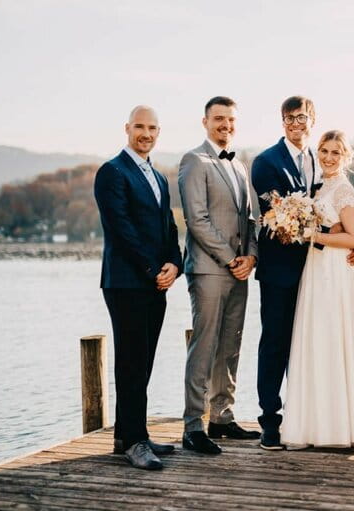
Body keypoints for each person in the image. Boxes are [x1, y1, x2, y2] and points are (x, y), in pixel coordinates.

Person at [251, 96, 354, 450]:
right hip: (280, 270)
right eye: (289, 118)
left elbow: (336, 214)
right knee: (276, 343)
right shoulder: (266, 162)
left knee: (313, 344)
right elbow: (277, 213)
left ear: (312, 120)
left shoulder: (320, 160)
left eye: (302, 117)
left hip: (320, 271)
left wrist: (348, 242)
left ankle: (312, 416)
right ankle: (270, 420)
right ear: (282, 122)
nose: (296, 124)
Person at [93, 105, 183, 470]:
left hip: (155, 284)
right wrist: (151, 270)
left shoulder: (159, 178)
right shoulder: (112, 172)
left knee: (143, 361)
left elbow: (169, 228)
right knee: (131, 362)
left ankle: (131, 434)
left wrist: (175, 265)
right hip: (127, 283)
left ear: (159, 132)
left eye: (153, 128)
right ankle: (133, 442)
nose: (146, 133)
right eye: (140, 127)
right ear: (127, 128)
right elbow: (121, 229)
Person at [178, 96, 260, 456]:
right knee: (205, 345)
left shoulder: (240, 166)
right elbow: (196, 220)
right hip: (210, 269)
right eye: (219, 119)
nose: (226, 125)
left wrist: (252, 257)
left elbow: (250, 219)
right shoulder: (194, 161)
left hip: (240, 269)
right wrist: (230, 259)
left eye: (231, 120)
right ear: (205, 121)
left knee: (231, 345)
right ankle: (193, 425)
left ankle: (222, 417)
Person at [282, 131, 354, 449]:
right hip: (317, 271)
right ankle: (316, 424)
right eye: (324, 151)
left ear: (346, 156)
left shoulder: (344, 190)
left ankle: (340, 427)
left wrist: (313, 235)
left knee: (335, 340)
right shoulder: (321, 187)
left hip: (336, 273)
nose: (329, 157)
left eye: (336, 152)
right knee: (317, 340)